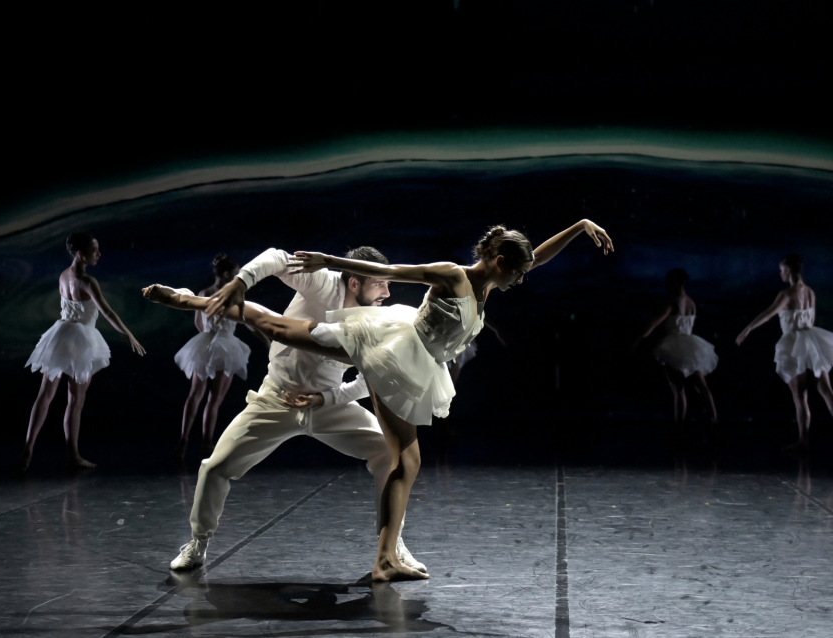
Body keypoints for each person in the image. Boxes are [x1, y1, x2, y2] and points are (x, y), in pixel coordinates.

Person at [144, 219, 614, 581]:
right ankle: (187, 301)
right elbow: (390, 271)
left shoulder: (489, 284)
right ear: (493, 257)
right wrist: (331, 258)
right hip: (315, 380)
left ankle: (391, 548)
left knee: (395, 459)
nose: (520, 277)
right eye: (513, 267)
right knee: (267, 331)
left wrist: (577, 227)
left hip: (358, 388)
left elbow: (534, 259)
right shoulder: (444, 276)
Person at [145, 246, 428, 577]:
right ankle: (198, 542)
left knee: (389, 455)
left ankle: (391, 545)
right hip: (276, 400)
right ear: (354, 283)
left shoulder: (376, 317)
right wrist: (241, 280)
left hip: (328, 407)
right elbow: (278, 258)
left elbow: (371, 379)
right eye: (380, 284)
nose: (387, 291)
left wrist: (328, 399)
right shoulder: (323, 283)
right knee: (215, 467)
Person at [17, 232, 146, 470]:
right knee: (75, 399)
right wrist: (127, 333)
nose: (99, 254)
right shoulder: (88, 281)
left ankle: (28, 450)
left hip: (61, 335)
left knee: (45, 395)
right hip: (81, 339)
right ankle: (72, 454)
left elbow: (69, 309)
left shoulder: (63, 276)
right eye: (94, 250)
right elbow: (107, 312)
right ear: (81, 253)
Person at [174, 253, 270, 458]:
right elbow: (249, 323)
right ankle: (207, 443)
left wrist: (207, 337)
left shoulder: (204, 293)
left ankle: (184, 440)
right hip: (226, 345)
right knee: (214, 398)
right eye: (236, 274)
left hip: (206, 343)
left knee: (195, 394)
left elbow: (198, 323)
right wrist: (266, 340)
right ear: (227, 275)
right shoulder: (234, 295)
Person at [736, 253, 833, 451]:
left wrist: (748, 329)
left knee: (800, 396)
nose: (780, 274)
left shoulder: (786, 294)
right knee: (826, 391)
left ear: (788, 271)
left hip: (794, 343)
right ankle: (803, 442)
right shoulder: (811, 292)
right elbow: (811, 321)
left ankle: (804, 441)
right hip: (812, 342)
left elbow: (768, 314)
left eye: (781, 271)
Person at [633, 268, 718, 423]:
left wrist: (638, 339)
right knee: (702, 387)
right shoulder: (692, 303)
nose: (667, 287)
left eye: (668, 283)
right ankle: (715, 422)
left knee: (678, 391)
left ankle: (679, 429)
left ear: (676, 283)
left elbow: (653, 323)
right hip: (692, 346)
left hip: (674, 346)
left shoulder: (672, 303)